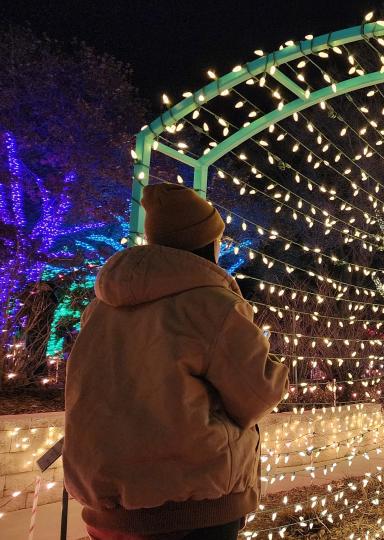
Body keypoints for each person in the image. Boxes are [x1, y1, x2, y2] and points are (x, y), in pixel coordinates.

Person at [64, 184, 290, 540]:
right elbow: (257, 394)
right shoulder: (212, 304)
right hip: (191, 506)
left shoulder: (100, 308)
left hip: (107, 509)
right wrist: (273, 362)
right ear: (206, 243)